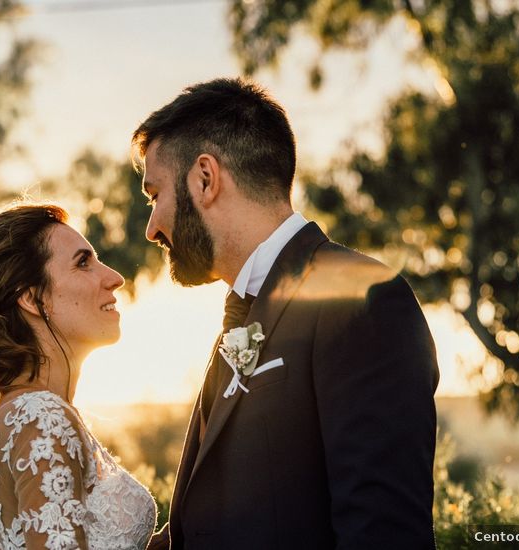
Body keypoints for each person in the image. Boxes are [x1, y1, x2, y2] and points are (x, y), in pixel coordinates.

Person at [134, 78, 440, 549]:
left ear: (205, 178)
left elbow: (383, 534)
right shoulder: (242, 316)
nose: (153, 228)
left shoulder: (362, 300)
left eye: (154, 195)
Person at [0, 203, 157, 550]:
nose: (114, 277)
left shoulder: (20, 415)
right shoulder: (41, 417)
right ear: (31, 297)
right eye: (83, 262)